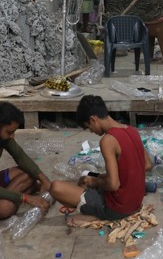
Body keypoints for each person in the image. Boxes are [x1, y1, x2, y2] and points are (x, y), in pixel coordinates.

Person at [49, 95, 152, 226]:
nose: (91, 131)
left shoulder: (108, 140)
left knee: (56, 187)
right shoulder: (131, 130)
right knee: (87, 175)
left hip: (118, 209)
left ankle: (96, 214)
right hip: (136, 202)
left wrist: (94, 182)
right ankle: (90, 201)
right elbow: (147, 165)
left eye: (88, 127)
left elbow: (113, 185)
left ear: (93, 119)